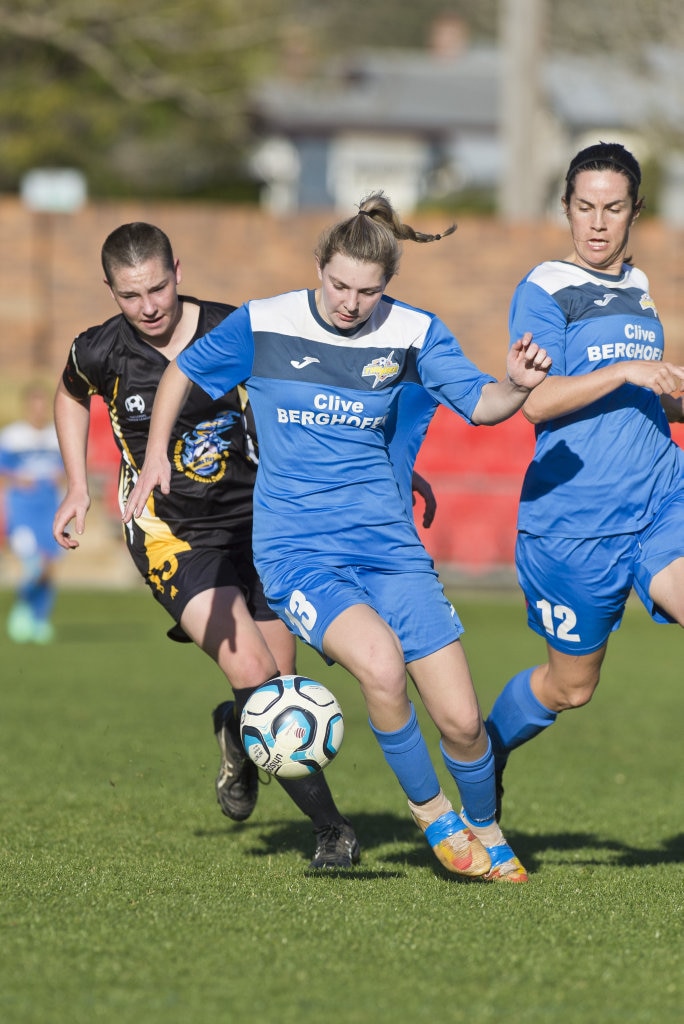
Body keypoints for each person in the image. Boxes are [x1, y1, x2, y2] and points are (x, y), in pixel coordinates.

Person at [124, 193, 552, 882]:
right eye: (339, 285)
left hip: (389, 547)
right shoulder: (265, 323)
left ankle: (485, 825)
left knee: (464, 722)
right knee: (380, 669)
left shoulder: (413, 332)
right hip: (298, 552)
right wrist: (152, 460)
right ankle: (435, 817)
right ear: (319, 266)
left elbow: (482, 405)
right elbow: (181, 372)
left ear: (388, 285)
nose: (351, 302)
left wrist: (520, 386)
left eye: (368, 291)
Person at [52, 222, 360, 870]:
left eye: (158, 287)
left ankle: (235, 731)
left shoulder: (234, 330)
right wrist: (77, 485)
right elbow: (70, 394)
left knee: (282, 688)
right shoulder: (100, 351)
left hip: (263, 526)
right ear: (109, 291)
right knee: (258, 678)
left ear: (178, 271)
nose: (149, 306)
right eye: (130, 295)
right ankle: (333, 831)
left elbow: (311, 393)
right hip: (172, 533)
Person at [483, 142, 684, 820]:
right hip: (572, 523)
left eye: (614, 209)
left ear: (635, 214)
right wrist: (628, 372)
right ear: (566, 209)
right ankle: (488, 748)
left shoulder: (638, 287)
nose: (598, 224)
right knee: (571, 687)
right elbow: (535, 402)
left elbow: (645, 395)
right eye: (585, 207)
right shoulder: (543, 289)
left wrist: (671, 395)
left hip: (661, 498)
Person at [0, 382, 64, 643]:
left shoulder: (56, 435)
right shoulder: (12, 436)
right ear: (26, 406)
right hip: (22, 506)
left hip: (49, 505)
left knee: (49, 566)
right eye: (33, 404)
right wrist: (18, 480)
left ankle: (39, 619)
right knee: (33, 565)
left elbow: (68, 467)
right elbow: (3, 471)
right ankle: (22, 609)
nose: (38, 410)